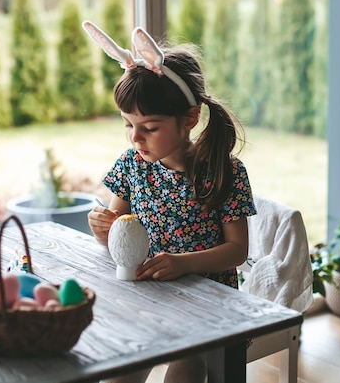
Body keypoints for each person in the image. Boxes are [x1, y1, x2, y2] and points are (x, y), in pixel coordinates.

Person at [84, 21, 256, 383]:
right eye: (128, 125)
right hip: (147, 294)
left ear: (189, 119)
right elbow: (120, 227)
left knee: (186, 372)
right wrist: (105, 228)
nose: (136, 138)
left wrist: (182, 264)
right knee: (117, 373)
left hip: (206, 303)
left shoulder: (224, 172)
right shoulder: (131, 165)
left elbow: (237, 251)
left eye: (150, 127)